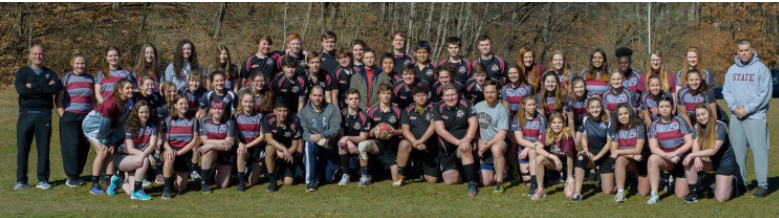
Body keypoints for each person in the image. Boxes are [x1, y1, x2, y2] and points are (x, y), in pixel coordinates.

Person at [722, 39, 771, 198]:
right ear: (737, 51)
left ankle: (762, 185)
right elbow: (726, 91)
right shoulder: (732, 70)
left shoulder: (761, 69)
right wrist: (735, 107)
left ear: (752, 50)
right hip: (737, 116)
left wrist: (747, 109)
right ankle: (741, 184)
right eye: (741, 50)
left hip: (756, 116)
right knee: (737, 152)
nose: (743, 53)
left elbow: (764, 94)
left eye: (746, 50)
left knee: (760, 151)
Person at [14, 45, 62, 190]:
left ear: (44, 56)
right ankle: (22, 181)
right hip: (26, 114)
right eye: (35, 54)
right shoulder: (22, 72)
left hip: (44, 115)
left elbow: (54, 89)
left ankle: (43, 179)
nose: (38, 56)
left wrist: (33, 86)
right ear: (30, 56)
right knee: (23, 148)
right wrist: (43, 88)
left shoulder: (50, 73)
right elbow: (22, 90)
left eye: (40, 54)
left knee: (43, 148)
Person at [81, 78, 134, 195]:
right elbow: (104, 126)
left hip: (108, 128)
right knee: (102, 152)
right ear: (120, 90)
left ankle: (110, 182)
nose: (131, 90)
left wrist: (112, 141)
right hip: (92, 127)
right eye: (127, 88)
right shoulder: (110, 105)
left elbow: (123, 125)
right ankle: (94, 184)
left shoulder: (129, 102)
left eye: (131, 88)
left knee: (111, 150)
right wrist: (105, 141)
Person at [682, 103, 737, 203]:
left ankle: (733, 184)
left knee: (720, 198)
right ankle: (692, 194)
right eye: (698, 115)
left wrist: (692, 155)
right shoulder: (696, 127)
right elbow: (695, 146)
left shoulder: (721, 126)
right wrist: (696, 157)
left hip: (724, 161)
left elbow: (713, 150)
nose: (701, 117)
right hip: (709, 160)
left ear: (710, 113)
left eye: (703, 114)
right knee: (690, 161)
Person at [646, 95, 695, 204]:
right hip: (668, 159)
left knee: (681, 194)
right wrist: (668, 156)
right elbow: (653, 147)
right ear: (657, 109)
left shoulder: (680, 121)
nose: (664, 109)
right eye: (662, 106)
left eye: (667, 106)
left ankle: (695, 180)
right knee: (652, 159)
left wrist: (676, 153)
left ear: (672, 108)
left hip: (682, 158)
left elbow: (689, 142)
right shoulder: (654, 125)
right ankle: (654, 194)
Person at [434, 84, 480, 197]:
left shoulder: (466, 103)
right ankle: (467, 173)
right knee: (451, 181)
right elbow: (440, 130)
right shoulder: (437, 107)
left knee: (465, 149)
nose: (450, 98)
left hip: (464, 143)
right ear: (443, 97)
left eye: (453, 94)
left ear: (458, 94)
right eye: (447, 95)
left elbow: (474, 123)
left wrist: (467, 139)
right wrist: (458, 142)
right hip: (447, 150)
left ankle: (471, 184)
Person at [56, 53, 94, 187]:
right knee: (71, 146)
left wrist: (93, 114)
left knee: (84, 145)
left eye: (82, 63)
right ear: (72, 64)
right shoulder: (66, 78)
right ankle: (71, 176)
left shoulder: (90, 78)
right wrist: (63, 115)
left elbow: (92, 98)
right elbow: (59, 98)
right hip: (70, 116)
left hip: (87, 116)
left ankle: (78, 174)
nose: (80, 66)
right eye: (77, 63)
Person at [356, 83, 404, 187]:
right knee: (362, 145)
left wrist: (394, 132)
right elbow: (366, 133)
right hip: (377, 145)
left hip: (392, 147)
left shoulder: (398, 112)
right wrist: (372, 131)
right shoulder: (370, 112)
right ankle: (364, 177)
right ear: (378, 95)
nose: (386, 96)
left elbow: (403, 131)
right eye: (383, 93)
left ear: (391, 95)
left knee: (396, 183)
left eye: (388, 93)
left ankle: (398, 171)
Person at [298, 86, 342, 192]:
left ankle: (316, 168)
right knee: (309, 146)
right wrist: (317, 139)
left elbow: (336, 129)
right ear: (310, 96)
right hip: (313, 142)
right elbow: (303, 132)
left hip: (328, 144)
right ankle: (311, 182)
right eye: (315, 95)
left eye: (320, 95)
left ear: (324, 96)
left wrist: (321, 136)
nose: (317, 98)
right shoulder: (303, 112)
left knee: (327, 179)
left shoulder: (333, 109)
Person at [572, 97, 614, 202]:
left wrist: (596, 159)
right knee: (580, 158)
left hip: (606, 155)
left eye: (597, 107)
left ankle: (618, 181)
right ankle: (577, 193)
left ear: (602, 108)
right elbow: (584, 137)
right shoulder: (585, 119)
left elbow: (609, 144)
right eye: (592, 108)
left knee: (608, 191)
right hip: (592, 152)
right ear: (588, 109)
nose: (595, 110)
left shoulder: (609, 119)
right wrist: (585, 148)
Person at [114, 100, 156, 200]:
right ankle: (138, 191)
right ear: (136, 113)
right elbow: (130, 149)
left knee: (130, 192)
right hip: (123, 157)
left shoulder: (152, 125)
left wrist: (143, 156)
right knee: (145, 160)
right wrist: (147, 155)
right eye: (141, 112)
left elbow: (153, 144)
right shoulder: (130, 126)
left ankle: (119, 182)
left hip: (137, 159)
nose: (144, 114)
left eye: (146, 112)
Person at [161, 94, 200, 199]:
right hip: (170, 150)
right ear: (175, 105)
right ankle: (167, 188)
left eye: (186, 103)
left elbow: (193, 141)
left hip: (184, 152)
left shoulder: (193, 120)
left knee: (180, 190)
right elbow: (164, 141)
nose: (184, 106)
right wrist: (171, 150)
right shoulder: (168, 120)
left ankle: (171, 175)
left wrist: (179, 152)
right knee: (170, 158)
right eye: (181, 103)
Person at [398, 85, 439, 186]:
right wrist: (414, 142)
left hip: (430, 147)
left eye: (423, 95)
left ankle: (421, 171)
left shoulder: (435, 107)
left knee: (432, 180)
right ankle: (400, 175)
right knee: (403, 144)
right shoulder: (408, 109)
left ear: (428, 96)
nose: (421, 97)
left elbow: (433, 127)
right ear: (413, 97)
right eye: (418, 95)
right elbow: (405, 130)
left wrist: (422, 141)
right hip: (414, 146)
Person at [474, 80, 509, 194]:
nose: (489, 95)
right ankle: (504, 170)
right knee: (486, 182)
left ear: (497, 92)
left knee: (496, 149)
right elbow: (474, 129)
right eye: (487, 92)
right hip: (483, 144)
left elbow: (502, 134)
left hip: (498, 142)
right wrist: (479, 142)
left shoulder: (502, 109)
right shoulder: (477, 106)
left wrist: (486, 145)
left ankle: (499, 183)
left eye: (492, 92)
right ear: (483, 92)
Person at [610, 103, 650, 203]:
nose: (623, 116)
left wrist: (619, 151)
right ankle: (621, 193)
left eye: (625, 113)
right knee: (619, 160)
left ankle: (637, 178)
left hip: (643, 160)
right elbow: (613, 152)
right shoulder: (615, 128)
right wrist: (632, 155)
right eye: (620, 114)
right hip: (631, 159)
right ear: (616, 116)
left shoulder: (639, 125)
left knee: (643, 193)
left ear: (630, 114)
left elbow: (638, 150)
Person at [531, 113, 575, 201]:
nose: (557, 125)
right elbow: (538, 149)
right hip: (556, 162)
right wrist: (553, 157)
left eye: (559, 122)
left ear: (564, 124)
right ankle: (540, 189)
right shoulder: (548, 132)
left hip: (569, 164)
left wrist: (570, 176)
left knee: (569, 195)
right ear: (550, 124)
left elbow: (570, 158)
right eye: (554, 122)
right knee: (539, 159)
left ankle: (570, 178)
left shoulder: (566, 135)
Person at [263, 99, 303, 192]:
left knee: (288, 182)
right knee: (269, 148)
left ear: (288, 111)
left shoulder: (295, 121)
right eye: (279, 110)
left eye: (285, 110)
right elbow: (269, 139)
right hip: (274, 150)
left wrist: (285, 153)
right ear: (275, 111)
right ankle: (273, 181)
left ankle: (279, 171)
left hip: (288, 153)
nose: (282, 113)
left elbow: (295, 146)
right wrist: (281, 150)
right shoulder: (268, 119)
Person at [197, 99, 236, 194]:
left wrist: (212, 145)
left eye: (220, 109)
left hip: (225, 152)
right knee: (208, 152)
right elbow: (204, 140)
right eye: (214, 108)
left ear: (223, 110)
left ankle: (214, 170)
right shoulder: (204, 120)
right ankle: (204, 183)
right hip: (212, 150)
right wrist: (223, 142)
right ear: (210, 110)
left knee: (222, 185)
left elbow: (229, 145)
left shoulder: (229, 122)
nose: (217, 111)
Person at [336, 89, 371, 186]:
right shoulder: (341, 114)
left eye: (356, 98)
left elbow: (363, 137)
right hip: (346, 143)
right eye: (351, 99)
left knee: (362, 145)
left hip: (360, 143)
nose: (354, 101)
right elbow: (341, 135)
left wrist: (348, 138)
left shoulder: (365, 116)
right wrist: (348, 141)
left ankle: (364, 175)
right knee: (341, 145)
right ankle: (345, 175)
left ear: (359, 100)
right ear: (346, 101)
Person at [512, 97, 546, 196]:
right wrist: (526, 148)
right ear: (523, 106)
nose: (532, 107)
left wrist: (527, 148)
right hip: (522, 153)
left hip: (536, 150)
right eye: (529, 105)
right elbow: (519, 140)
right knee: (527, 183)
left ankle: (535, 185)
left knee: (532, 153)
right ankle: (534, 180)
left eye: (534, 105)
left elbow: (541, 141)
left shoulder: (541, 119)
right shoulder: (517, 118)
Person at [233, 91, 266, 192]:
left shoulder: (260, 116)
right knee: (240, 152)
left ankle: (247, 168)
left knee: (252, 181)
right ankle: (241, 182)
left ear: (254, 103)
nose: (248, 104)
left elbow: (262, 137)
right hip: (244, 148)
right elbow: (235, 135)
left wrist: (247, 145)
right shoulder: (236, 116)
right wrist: (240, 145)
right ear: (241, 102)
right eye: (245, 101)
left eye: (251, 102)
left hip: (256, 148)